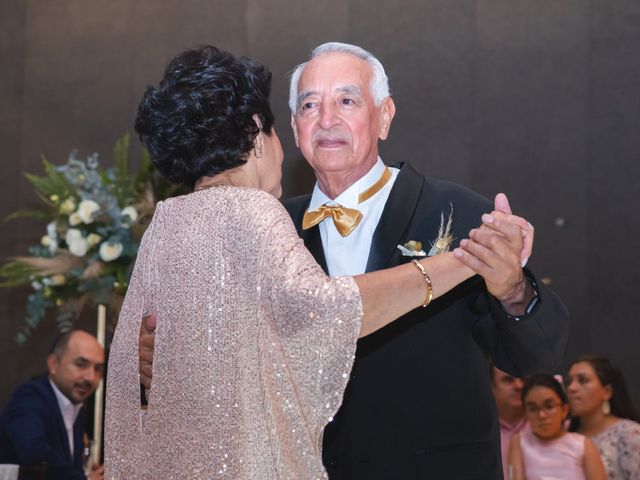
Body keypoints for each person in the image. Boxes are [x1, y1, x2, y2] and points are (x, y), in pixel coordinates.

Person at [138, 42, 570, 479]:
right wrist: (168, 355)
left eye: (347, 100)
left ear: (384, 116)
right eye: (310, 105)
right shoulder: (265, 227)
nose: (327, 119)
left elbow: (539, 360)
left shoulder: (459, 213)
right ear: (293, 126)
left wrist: (513, 289)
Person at [0, 330, 105, 480]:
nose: (90, 377)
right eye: (81, 364)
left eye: (97, 369)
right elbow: (33, 452)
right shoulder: (29, 398)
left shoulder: (76, 403)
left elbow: (66, 463)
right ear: (53, 364)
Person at [507, 373, 605, 480]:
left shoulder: (583, 445)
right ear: (525, 413)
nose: (542, 415)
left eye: (549, 407)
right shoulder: (520, 442)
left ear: (564, 410)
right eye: (533, 409)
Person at [567, 354, 640, 480]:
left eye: (582, 380)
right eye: (569, 382)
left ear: (606, 392)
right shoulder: (564, 434)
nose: (571, 388)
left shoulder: (629, 434)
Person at [492, 365, 530, 479]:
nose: (519, 385)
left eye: (523, 380)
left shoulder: (549, 424)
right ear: (491, 386)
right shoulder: (481, 433)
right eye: (508, 380)